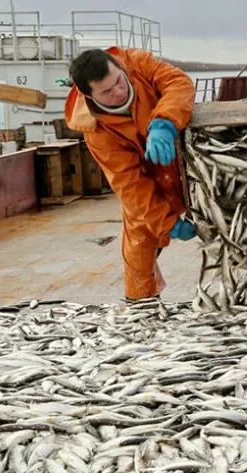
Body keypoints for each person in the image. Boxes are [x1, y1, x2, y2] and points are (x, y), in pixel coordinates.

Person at [64, 47, 198, 302]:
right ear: (88, 96)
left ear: (119, 67)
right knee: (138, 252)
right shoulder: (96, 132)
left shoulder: (137, 63)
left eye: (118, 81)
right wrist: (167, 223)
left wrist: (164, 122)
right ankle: (141, 308)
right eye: (106, 91)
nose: (118, 91)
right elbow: (130, 186)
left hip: (187, 164)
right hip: (150, 183)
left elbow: (178, 83)